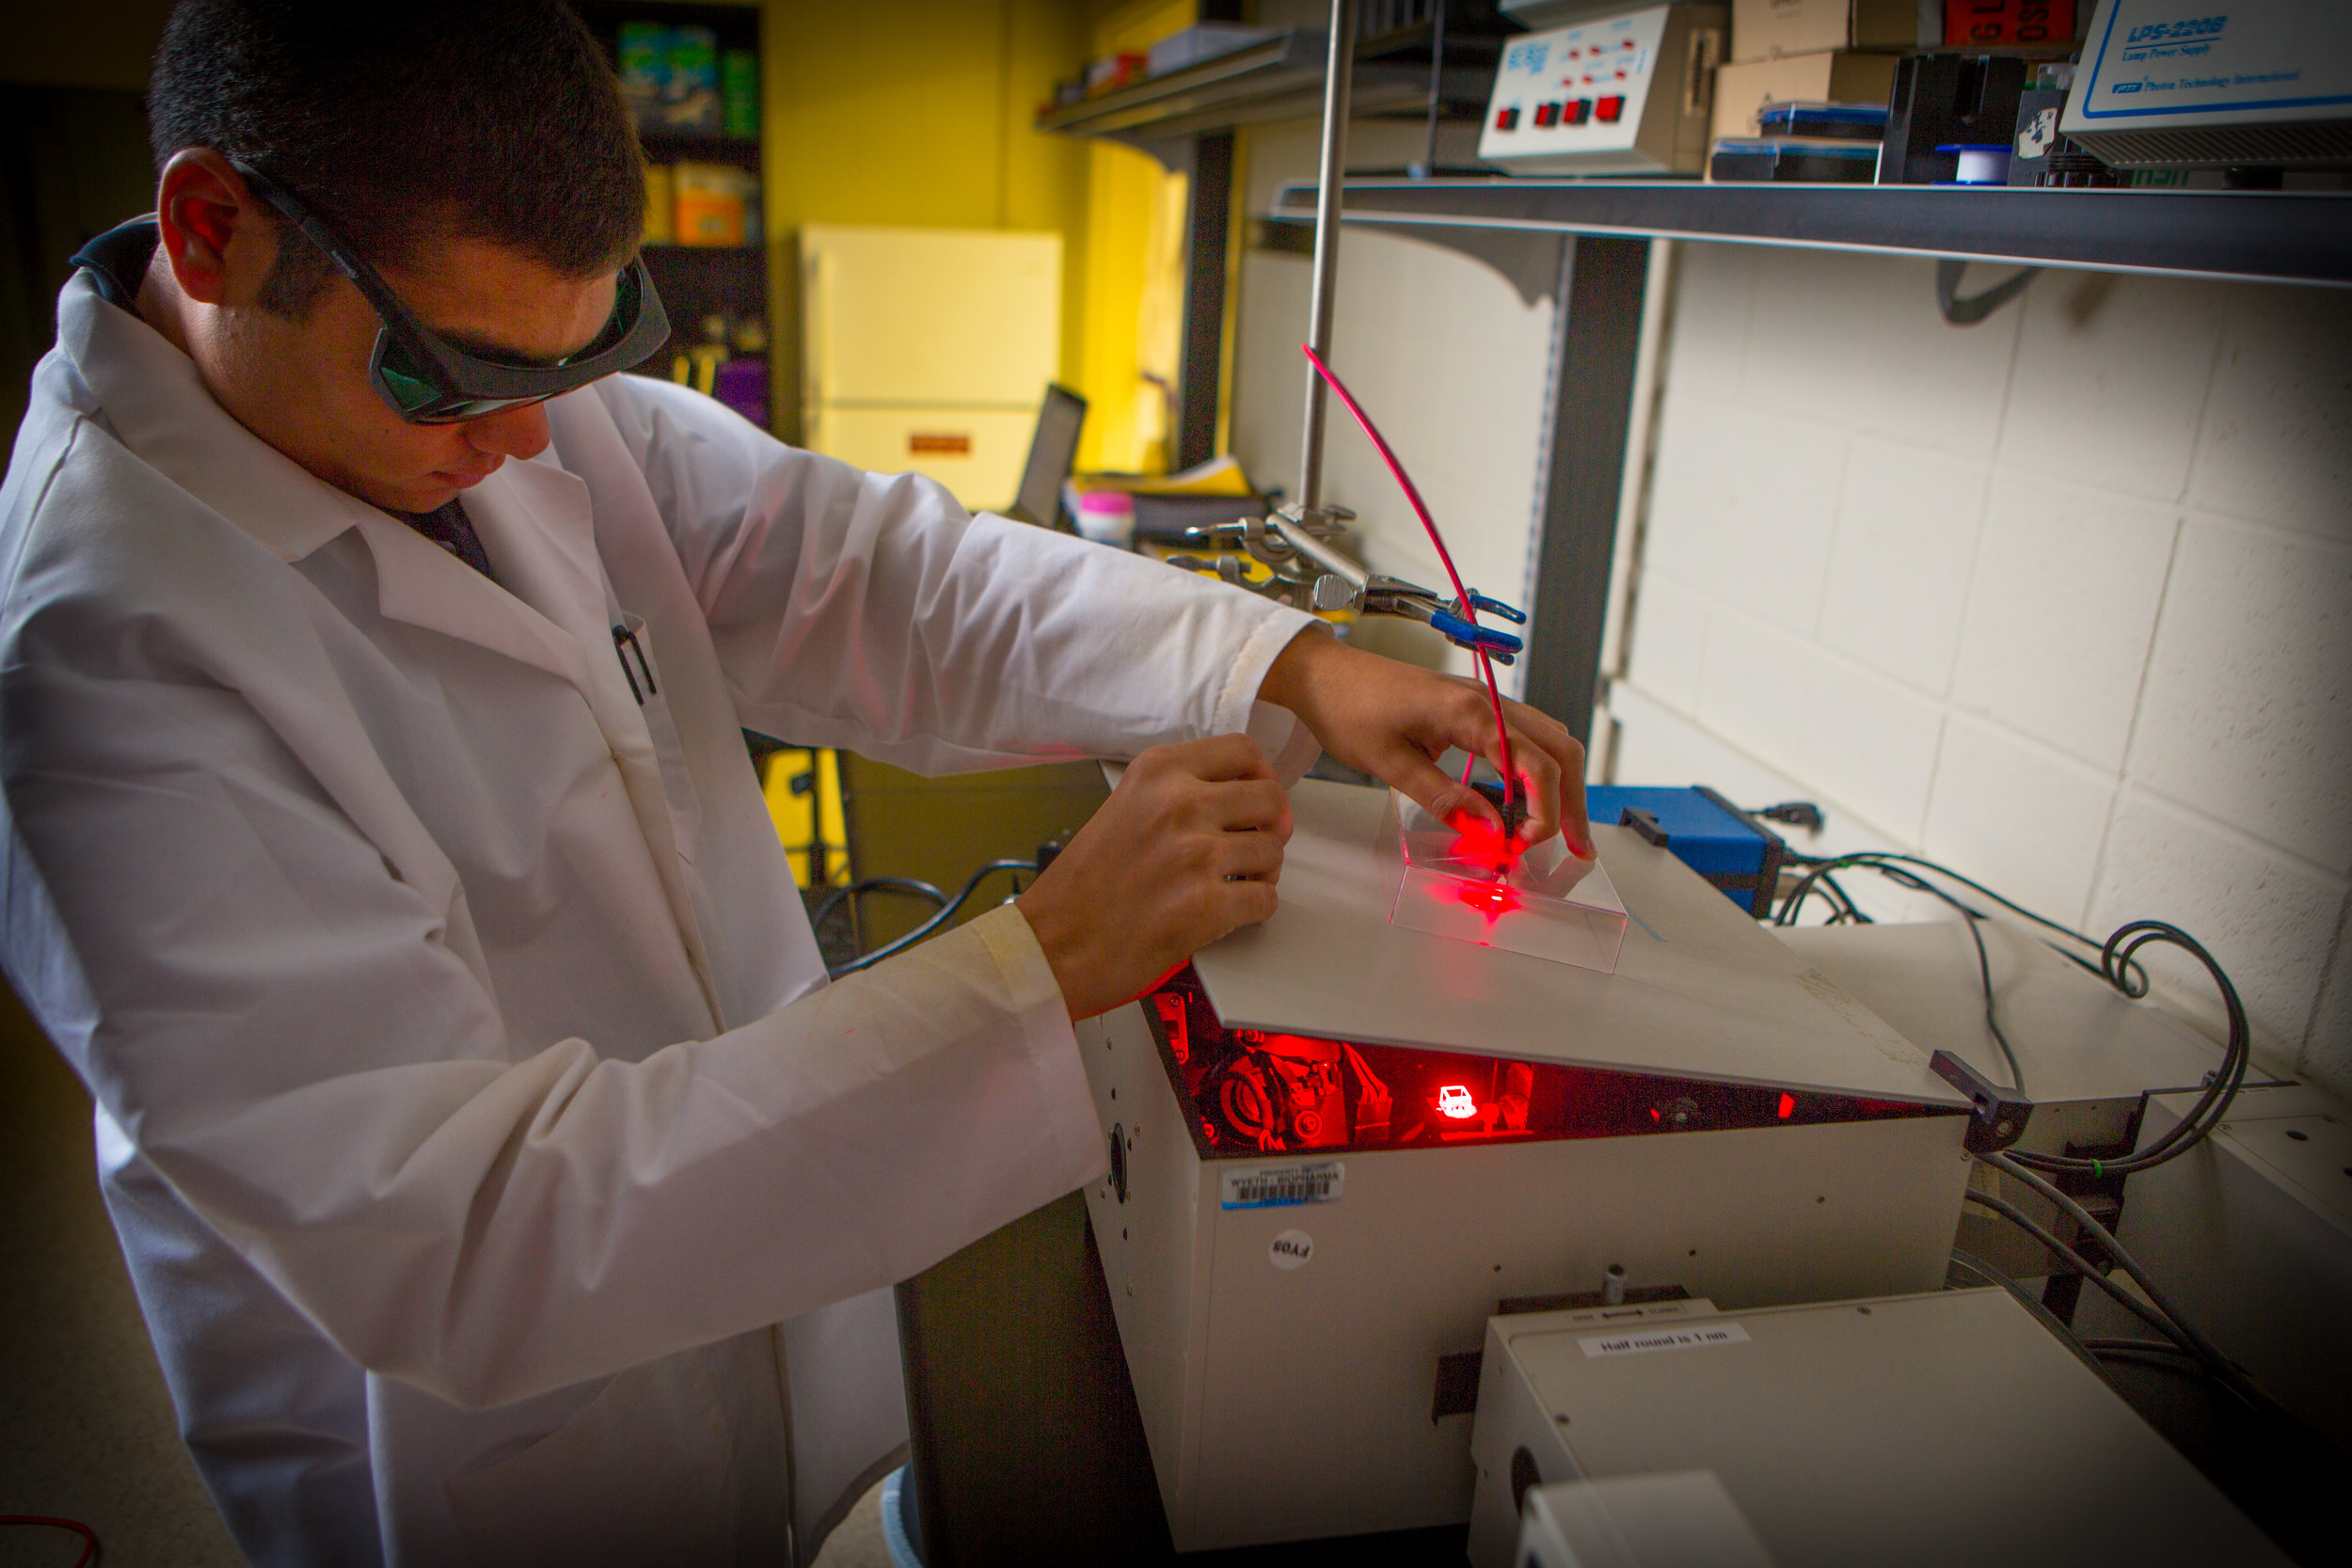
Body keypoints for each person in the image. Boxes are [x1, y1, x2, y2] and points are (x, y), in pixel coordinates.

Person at [0, 3, 1590, 1563]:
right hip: (467, 1447)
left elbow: (871, 575)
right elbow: (464, 1237)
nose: (529, 443)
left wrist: (1293, 662)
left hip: (737, 1275)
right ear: (211, 232)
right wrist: (1036, 964)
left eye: (574, 367)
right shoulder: (106, 659)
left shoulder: (517, 400)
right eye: (447, 378)